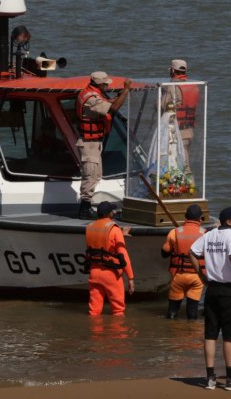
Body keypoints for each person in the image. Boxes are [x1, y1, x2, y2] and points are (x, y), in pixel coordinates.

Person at [189, 206, 231, 391]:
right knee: (229, 336)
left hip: (212, 289)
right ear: (230, 221)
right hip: (229, 291)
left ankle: (210, 378)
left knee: (210, 334)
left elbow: (192, 252)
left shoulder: (209, 234)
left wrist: (200, 275)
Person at [76, 71, 132, 218]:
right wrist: (125, 90)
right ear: (99, 84)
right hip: (89, 143)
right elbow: (113, 108)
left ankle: (87, 205)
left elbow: (108, 104)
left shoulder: (92, 93)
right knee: (90, 175)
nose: (107, 85)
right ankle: (84, 209)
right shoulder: (91, 98)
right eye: (105, 83)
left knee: (96, 175)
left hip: (94, 142)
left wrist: (117, 97)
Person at [85, 201, 135, 316]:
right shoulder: (114, 229)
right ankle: (117, 333)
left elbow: (97, 243)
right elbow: (123, 255)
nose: (115, 212)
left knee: (94, 312)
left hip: (94, 273)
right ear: (110, 213)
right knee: (118, 311)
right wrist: (131, 278)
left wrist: (120, 235)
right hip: (111, 274)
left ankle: (94, 333)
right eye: (113, 210)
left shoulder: (89, 227)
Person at [161, 204, 206, 319]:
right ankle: (191, 332)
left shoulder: (174, 232)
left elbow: (164, 253)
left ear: (186, 217)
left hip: (179, 275)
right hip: (197, 276)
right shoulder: (205, 234)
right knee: (192, 312)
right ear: (200, 218)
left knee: (172, 311)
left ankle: (170, 330)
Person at [162, 59, 200, 171]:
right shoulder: (194, 86)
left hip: (176, 131)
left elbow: (162, 105)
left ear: (173, 70)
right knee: (184, 158)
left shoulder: (172, 86)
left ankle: (185, 186)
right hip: (189, 129)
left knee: (181, 164)